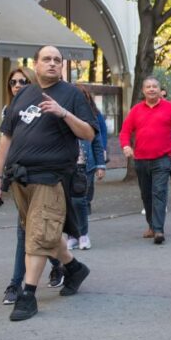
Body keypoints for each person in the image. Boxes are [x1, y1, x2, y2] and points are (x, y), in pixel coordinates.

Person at [0, 45, 97, 321]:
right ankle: (74, 269)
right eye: (46, 59)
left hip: (52, 177)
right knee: (44, 231)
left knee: (36, 235)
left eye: (57, 60)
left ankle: (28, 295)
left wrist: (63, 113)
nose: (52, 64)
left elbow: (89, 134)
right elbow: (7, 137)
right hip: (20, 179)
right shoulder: (24, 94)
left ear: (62, 66)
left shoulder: (71, 94)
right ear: (35, 64)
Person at [120, 76, 171, 244]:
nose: (151, 89)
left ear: (159, 90)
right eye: (148, 86)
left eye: (154, 86)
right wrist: (126, 146)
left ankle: (158, 230)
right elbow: (125, 132)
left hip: (162, 159)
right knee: (146, 195)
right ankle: (151, 225)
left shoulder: (170, 108)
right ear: (143, 90)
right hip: (141, 160)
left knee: (159, 193)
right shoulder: (136, 110)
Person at [0, 66, 36, 305]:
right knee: (25, 231)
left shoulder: (39, 108)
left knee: (37, 231)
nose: (17, 86)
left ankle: (65, 266)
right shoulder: (8, 111)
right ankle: (15, 284)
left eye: (23, 82)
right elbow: (6, 146)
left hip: (41, 176)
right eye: (13, 82)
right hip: (18, 177)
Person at [66, 86, 107, 251]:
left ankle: (82, 234)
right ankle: (71, 236)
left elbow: (97, 142)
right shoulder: (63, 116)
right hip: (66, 165)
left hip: (85, 166)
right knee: (67, 203)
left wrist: (101, 165)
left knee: (79, 201)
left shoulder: (92, 117)